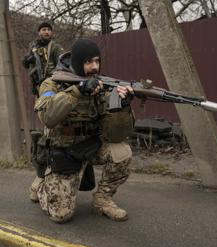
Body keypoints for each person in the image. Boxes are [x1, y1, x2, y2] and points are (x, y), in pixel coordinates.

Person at [33, 38, 135, 223]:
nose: (94, 67)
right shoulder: (52, 84)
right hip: (64, 152)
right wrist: (78, 91)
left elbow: (115, 135)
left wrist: (122, 107)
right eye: (88, 62)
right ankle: (42, 183)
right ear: (77, 63)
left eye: (97, 61)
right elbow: (48, 117)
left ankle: (102, 200)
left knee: (122, 151)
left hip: (90, 147)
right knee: (62, 215)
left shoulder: (103, 87)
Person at [22, 21, 64, 202]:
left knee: (51, 120)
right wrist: (28, 61)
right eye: (43, 29)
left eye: (48, 29)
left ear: (52, 33)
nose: (46, 32)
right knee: (43, 120)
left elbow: (64, 62)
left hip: (53, 88)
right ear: (39, 32)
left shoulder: (55, 47)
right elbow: (26, 63)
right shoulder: (33, 47)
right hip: (39, 89)